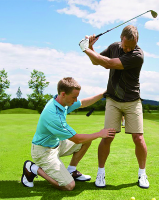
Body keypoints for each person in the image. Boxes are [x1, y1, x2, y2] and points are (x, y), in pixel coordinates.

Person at [79, 25, 149, 189]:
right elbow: (96, 61)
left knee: (138, 138)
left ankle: (142, 173)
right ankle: (101, 172)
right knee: (107, 137)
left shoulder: (138, 55)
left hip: (132, 101)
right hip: (113, 100)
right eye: (126, 46)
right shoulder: (113, 47)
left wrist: (85, 49)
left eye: (132, 46)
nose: (128, 49)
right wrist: (90, 47)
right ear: (121, 38)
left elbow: (108, 63)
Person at [21, 77, 116, 191]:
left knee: (87, 140)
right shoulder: (54, 115)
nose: (76, 100)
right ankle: (33, 168)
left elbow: (83, 103)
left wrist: (102, 94)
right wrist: (100, 134)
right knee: (68, 186)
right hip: (43, 152)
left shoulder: (61, 101)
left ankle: (71, 170)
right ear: (63, 94)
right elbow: (77, 139)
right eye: (74, 97)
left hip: (57, 144)